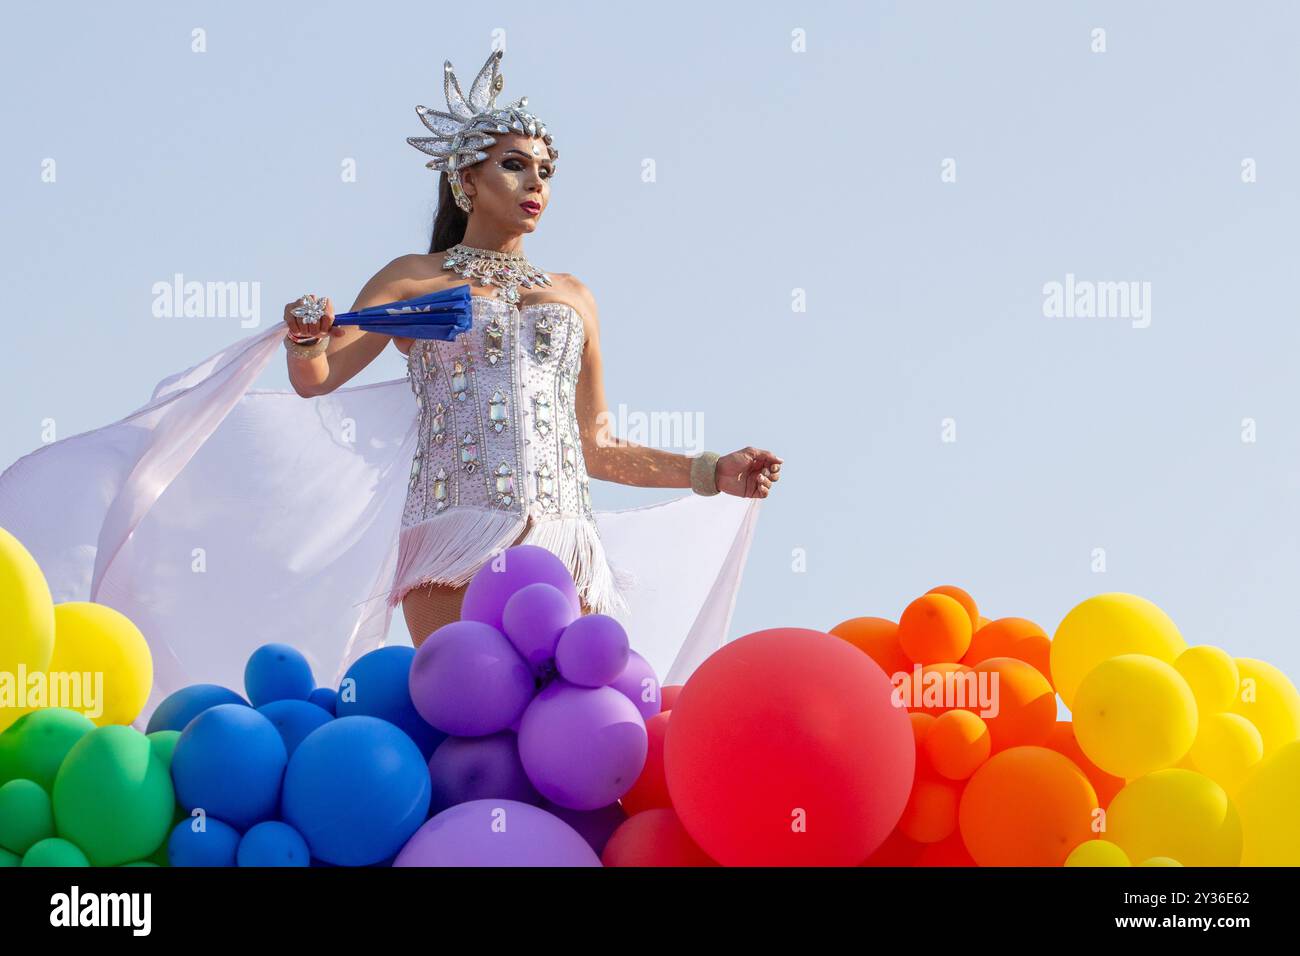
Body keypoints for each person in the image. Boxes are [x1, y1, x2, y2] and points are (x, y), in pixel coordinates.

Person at [0, 49, 780, 725]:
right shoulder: (417, 279)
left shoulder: (575, 295)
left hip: (566, 540)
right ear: (465, 178)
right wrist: (305, 337)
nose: (535, 182)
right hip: (453, 532)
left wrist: (713, 473)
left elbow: (595, 445)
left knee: (565, 721)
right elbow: (319, 376)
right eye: (513, 163)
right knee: (473, 717)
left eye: (546, 169)